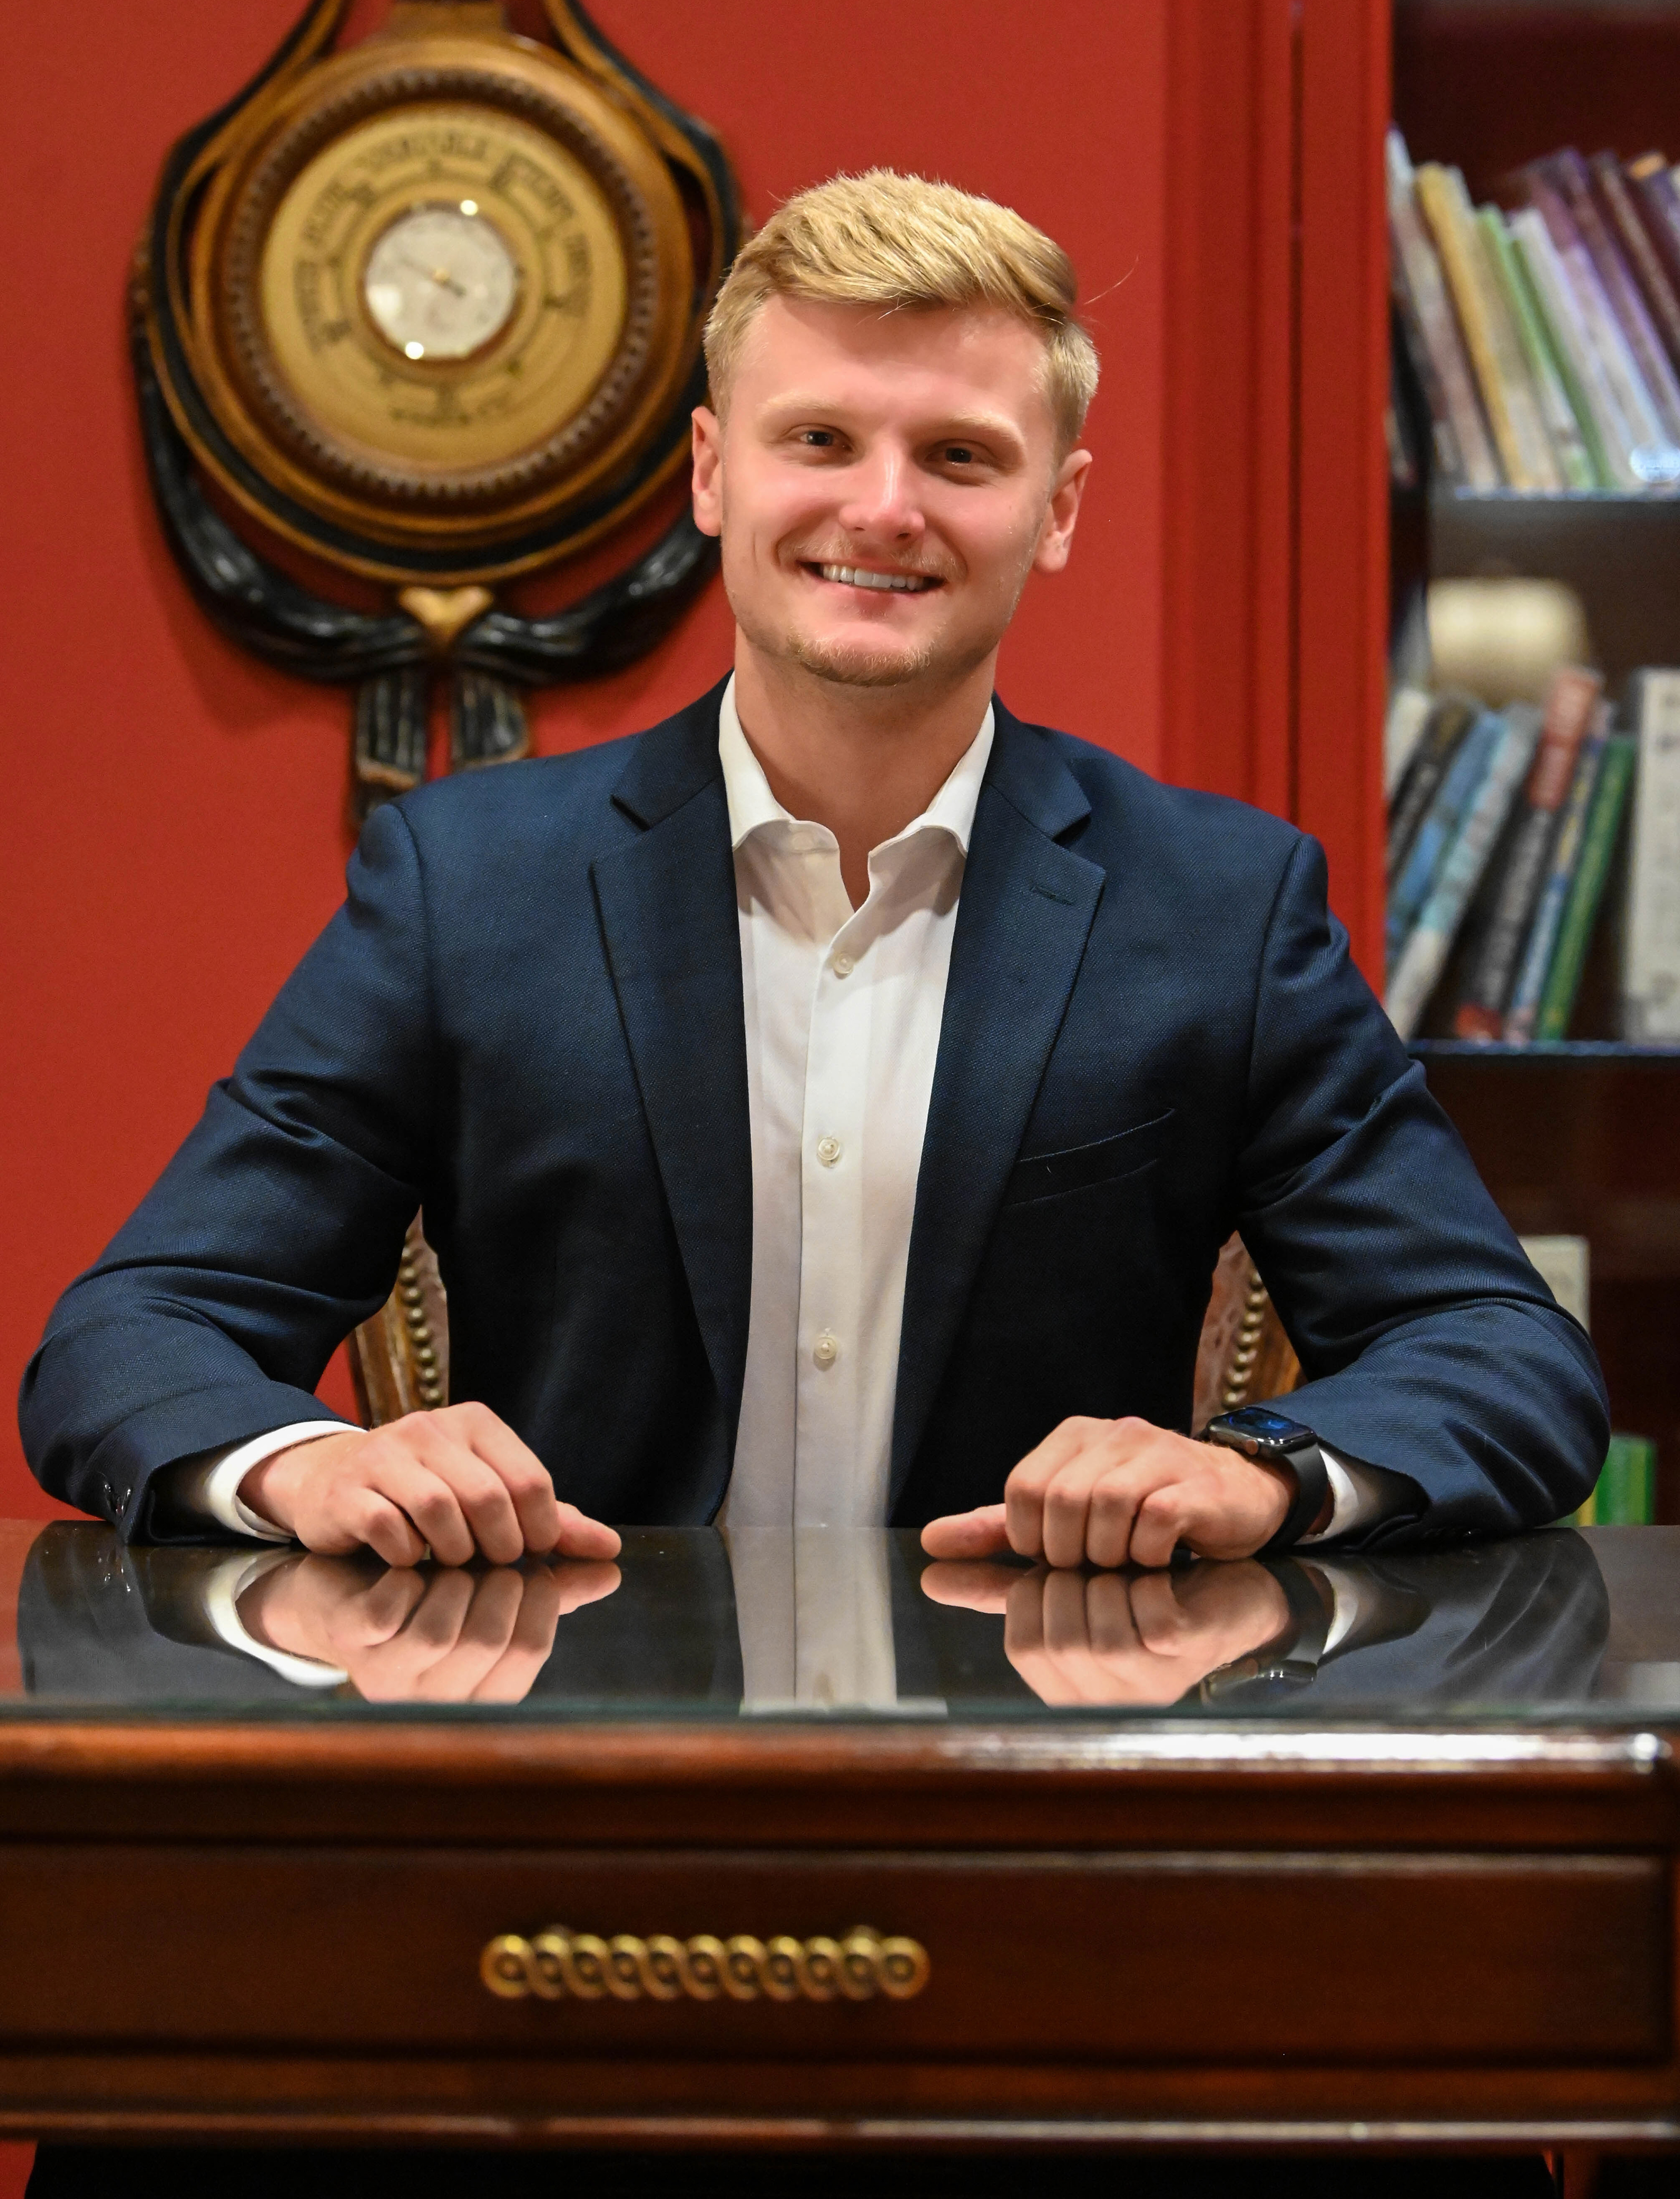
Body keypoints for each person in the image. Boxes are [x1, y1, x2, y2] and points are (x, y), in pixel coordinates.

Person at [21, 170, 1607, 1572]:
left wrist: (1258, 1475)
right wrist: (317, 1461)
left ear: (1056, 511)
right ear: (715, 474)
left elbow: (1500, 1356)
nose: (884, 506)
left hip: (1048, 1768)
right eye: (822, 439)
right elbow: (131, 1336)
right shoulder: (466, 885)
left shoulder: (1219, 906)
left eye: (963, 455)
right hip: (574, 1756)